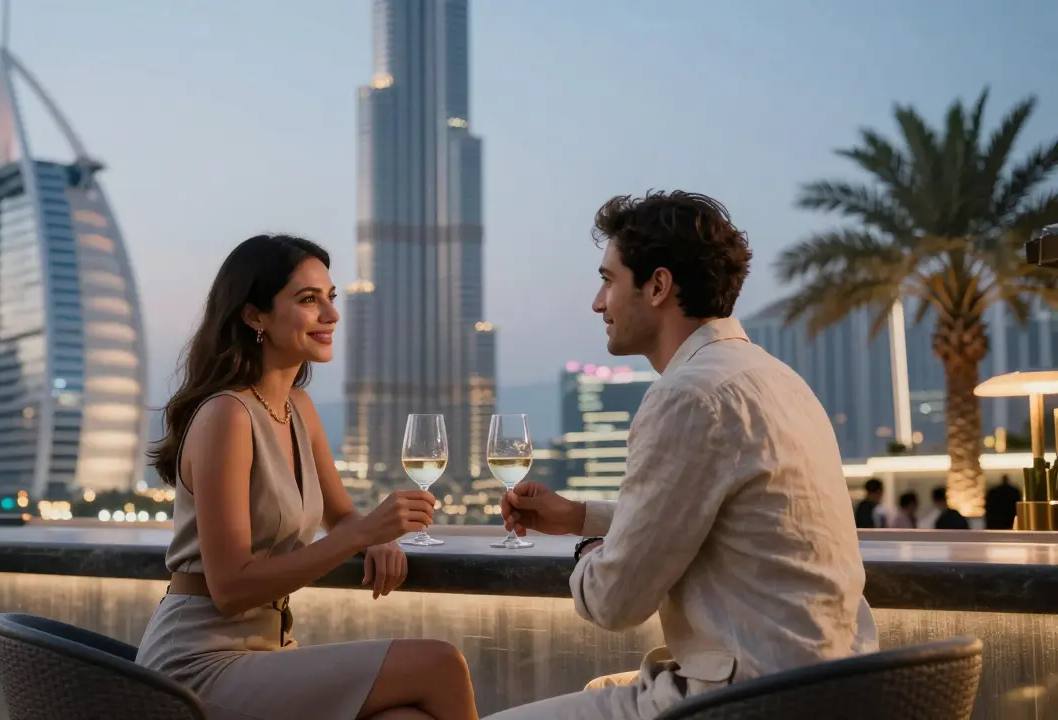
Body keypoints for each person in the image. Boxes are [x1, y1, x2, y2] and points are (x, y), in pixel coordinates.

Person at [487, 191, 876, 720]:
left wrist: (588, 553)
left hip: (744, 699)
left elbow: (613, 601)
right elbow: (718, 515)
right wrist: (580, 516)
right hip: (832, 685)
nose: (597, 303)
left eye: (608, 280)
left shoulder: (688, 396)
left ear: (658, 286)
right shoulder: (776, 379)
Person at [136, 235, 477, 720]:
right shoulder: (227, 417)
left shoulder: (298, 408)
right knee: (439, 663)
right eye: (308, 300)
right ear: (255, 316)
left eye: (330, 298)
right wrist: (362, 533)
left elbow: (341, 516)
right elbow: (230, 588)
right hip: (196, 664)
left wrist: (370, 538)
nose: (331, 316)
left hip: (266, 651)